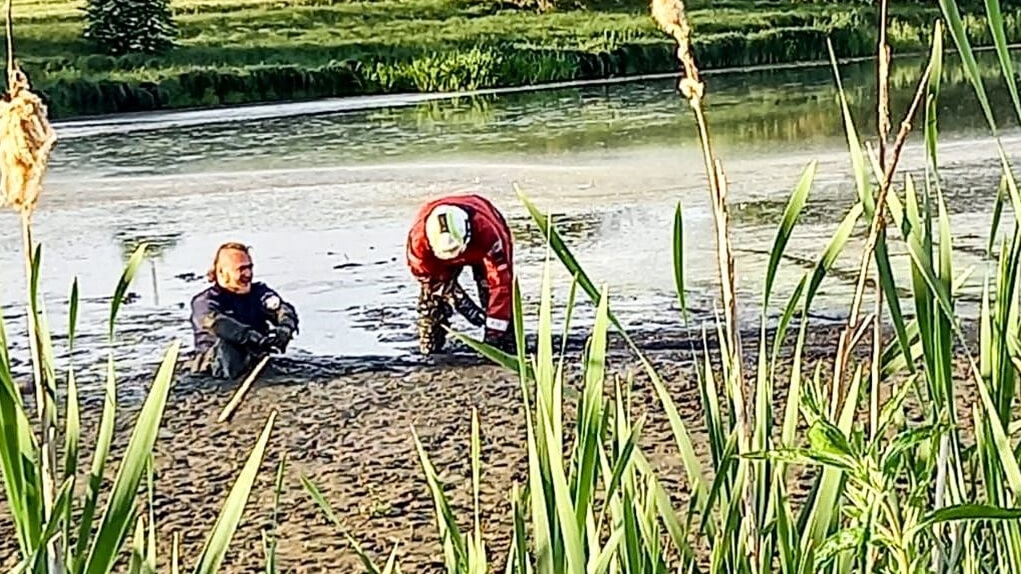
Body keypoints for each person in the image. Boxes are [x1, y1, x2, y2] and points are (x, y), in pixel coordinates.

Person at [406, 193, 516, 355]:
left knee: (496, 299)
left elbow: (501, 284)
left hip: (481, 247)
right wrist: (458, 299)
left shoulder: (488, 231)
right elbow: (428, 278)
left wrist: (494, 333)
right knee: (431, 303)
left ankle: (503, 345)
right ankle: (430, 349)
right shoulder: (418, 242)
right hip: (438, 262)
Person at [188, 242, 300, 379]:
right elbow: (216, 323)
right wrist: (253, 338)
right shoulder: (204, 302)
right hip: (217, 366)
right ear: (222, 272)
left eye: (250, 267)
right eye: (241, 269)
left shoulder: (259, 293)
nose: (248, 274)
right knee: (228, 343)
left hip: (255, 358)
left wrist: (285, 328)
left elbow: (281, 308)